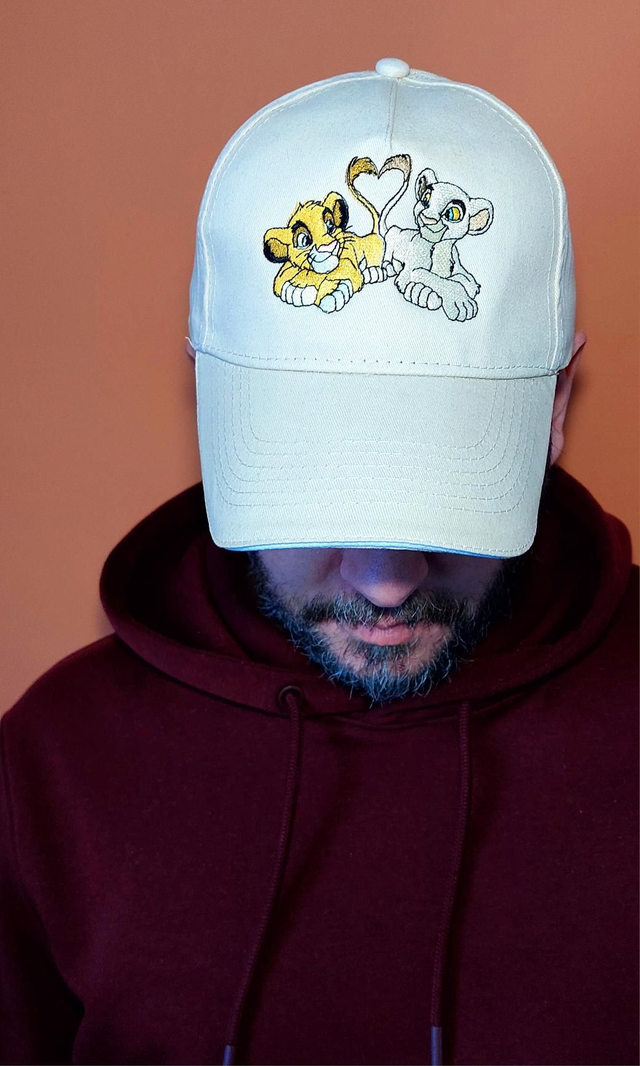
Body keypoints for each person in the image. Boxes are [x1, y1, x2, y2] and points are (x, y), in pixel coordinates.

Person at [1, 59, 637, 1066]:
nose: (385, 583)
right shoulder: (54, 764)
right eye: (320, 493)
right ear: (209, 396)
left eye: (447, 500)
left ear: (555, 406)